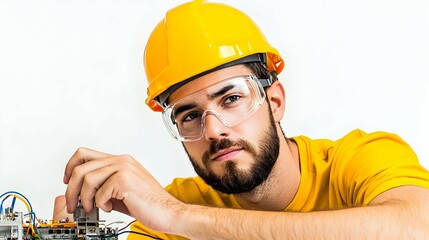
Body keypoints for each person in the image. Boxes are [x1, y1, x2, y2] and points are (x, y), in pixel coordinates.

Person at [59, 1, 429, 239]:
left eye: (231, 98)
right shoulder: (167, 213)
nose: (214, 130)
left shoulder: (360, 161)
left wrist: (184, 219)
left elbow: (416, 228)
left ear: (275, 101)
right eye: (188, 116)